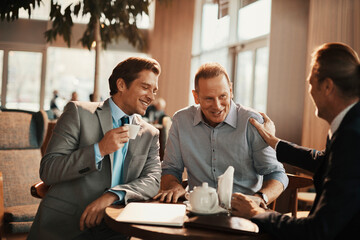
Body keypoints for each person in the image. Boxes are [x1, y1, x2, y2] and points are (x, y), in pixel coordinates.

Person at [231, 42, 360, 240]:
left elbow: (318, 229)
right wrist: (274, 142)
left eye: (310, 82)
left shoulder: (352, 137)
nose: (309, 90)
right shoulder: (349, 125)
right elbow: (323, 161)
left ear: (327, 86)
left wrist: (257, 213)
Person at [28, 57, 162, 240]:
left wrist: (112, 196)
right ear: (121, 85)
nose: (151, 96)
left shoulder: (150, 134)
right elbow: (49, 170)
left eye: (154, 90)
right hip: (65, 227)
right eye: (145, 87)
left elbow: (153, 180)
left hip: (115, 230)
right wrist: (99, 150)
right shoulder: (78, 113)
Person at [154, 63, 288, 206]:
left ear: (231, 90)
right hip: (197, 210)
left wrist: (260, 198)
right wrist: (174, 186)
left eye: (223, 96)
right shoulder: (181, 120)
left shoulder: (252, 122)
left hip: (243, 214)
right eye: (209, 98)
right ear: (196, 96)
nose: (217, 106)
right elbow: (170, 169)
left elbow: (276, 173)